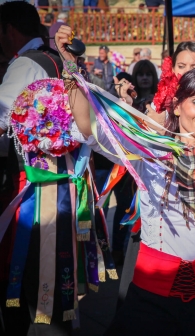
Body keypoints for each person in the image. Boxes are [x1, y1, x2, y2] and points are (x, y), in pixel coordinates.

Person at [56, 24, 195, 334]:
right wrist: (70, 67)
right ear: (178, 105)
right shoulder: (151, 151)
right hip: (148, 302)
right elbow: (88, 126)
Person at [116, 41, 195, 310]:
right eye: (181, 66)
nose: (186, 72)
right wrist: (132, 109)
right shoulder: (158, 107)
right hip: (156, 213)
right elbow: (133, 147)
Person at [0, 2, 72, 335]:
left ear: (9, 30)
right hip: (62, 183)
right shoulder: (56, 59)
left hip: (30, 186)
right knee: (51, 275)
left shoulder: (25, 65)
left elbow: (2, 122)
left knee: (22, 274)